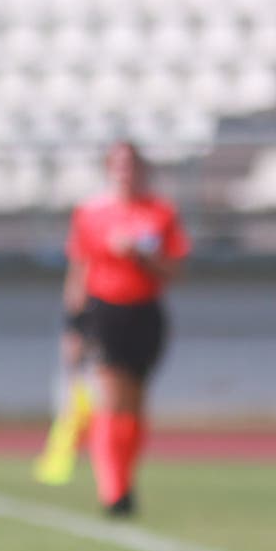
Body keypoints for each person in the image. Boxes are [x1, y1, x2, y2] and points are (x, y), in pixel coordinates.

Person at [60, 141, 189, 516]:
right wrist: (72, 324)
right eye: (117, 164)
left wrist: (143, 256)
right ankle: (112, 489)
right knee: (112, 397)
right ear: (108, 169)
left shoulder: (161, 212)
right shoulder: (90, 213)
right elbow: (78, 271)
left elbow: (176, 270)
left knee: (134, 404)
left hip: (145, 313)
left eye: (131, 164)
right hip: (105, 312)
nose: (125, 171)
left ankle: (125, 478)